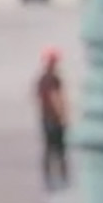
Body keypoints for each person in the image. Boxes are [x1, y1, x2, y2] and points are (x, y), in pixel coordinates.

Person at [34, 48, 69, 192]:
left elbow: (36, 97)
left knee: (49, 150)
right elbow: (57, 98)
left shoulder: (41, 79)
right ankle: (62, 178)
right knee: (59, 150)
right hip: (54, 119)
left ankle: (48, 178)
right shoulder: (54, 80)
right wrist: (63, 116)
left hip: (45, 118)